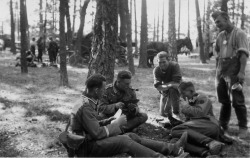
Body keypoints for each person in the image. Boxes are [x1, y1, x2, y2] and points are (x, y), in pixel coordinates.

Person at [69, 74, 188, 157]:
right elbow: (97, 133)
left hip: (88, 141)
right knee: (124, 141)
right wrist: (116, 124)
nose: (104, 91)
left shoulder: (86, 101)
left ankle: (173, 149)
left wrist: (109, 120)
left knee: (131, 136)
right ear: (96, 90)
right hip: (86, 148)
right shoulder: (86, 106)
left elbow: (91, 126)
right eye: (103, 89)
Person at [211, 11, 249, 139]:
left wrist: (242, 72)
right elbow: (216, 51)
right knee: (223, 100)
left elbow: (243, 55)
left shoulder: (240, 33)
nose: (217, 25)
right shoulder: (220, 35)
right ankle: (223, 124)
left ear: (226, 19)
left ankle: (243, 127)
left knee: (237, 100)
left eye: (218, 22)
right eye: (215, 22)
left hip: (235, 69)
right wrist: (217, 70)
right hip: (221, 69)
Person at [170, 81, 225, 157]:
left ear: (191, 91)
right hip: (200, 131)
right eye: (181, 94)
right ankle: (206, 153)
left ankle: (210, 142)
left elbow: (200, 113)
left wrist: (186, 106)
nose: (182, 96)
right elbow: (190, 122)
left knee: (175, 130)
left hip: (209, 125)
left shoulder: (202, 97)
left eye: (183, 93)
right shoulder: (190, 101)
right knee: (175, 141)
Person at [153, 51, 182, 125]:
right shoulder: (156, 70)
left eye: (164, 62)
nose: (162, 64)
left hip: (176, 89)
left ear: (168, 60)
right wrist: (169, 85)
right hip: (165, 91)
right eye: (160, 62)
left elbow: (176, 83)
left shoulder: (174, 66)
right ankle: (170, 105)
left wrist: (165, 86)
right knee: (163, 114)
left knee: (173, 90)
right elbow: (158, 87)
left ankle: (176, 112)